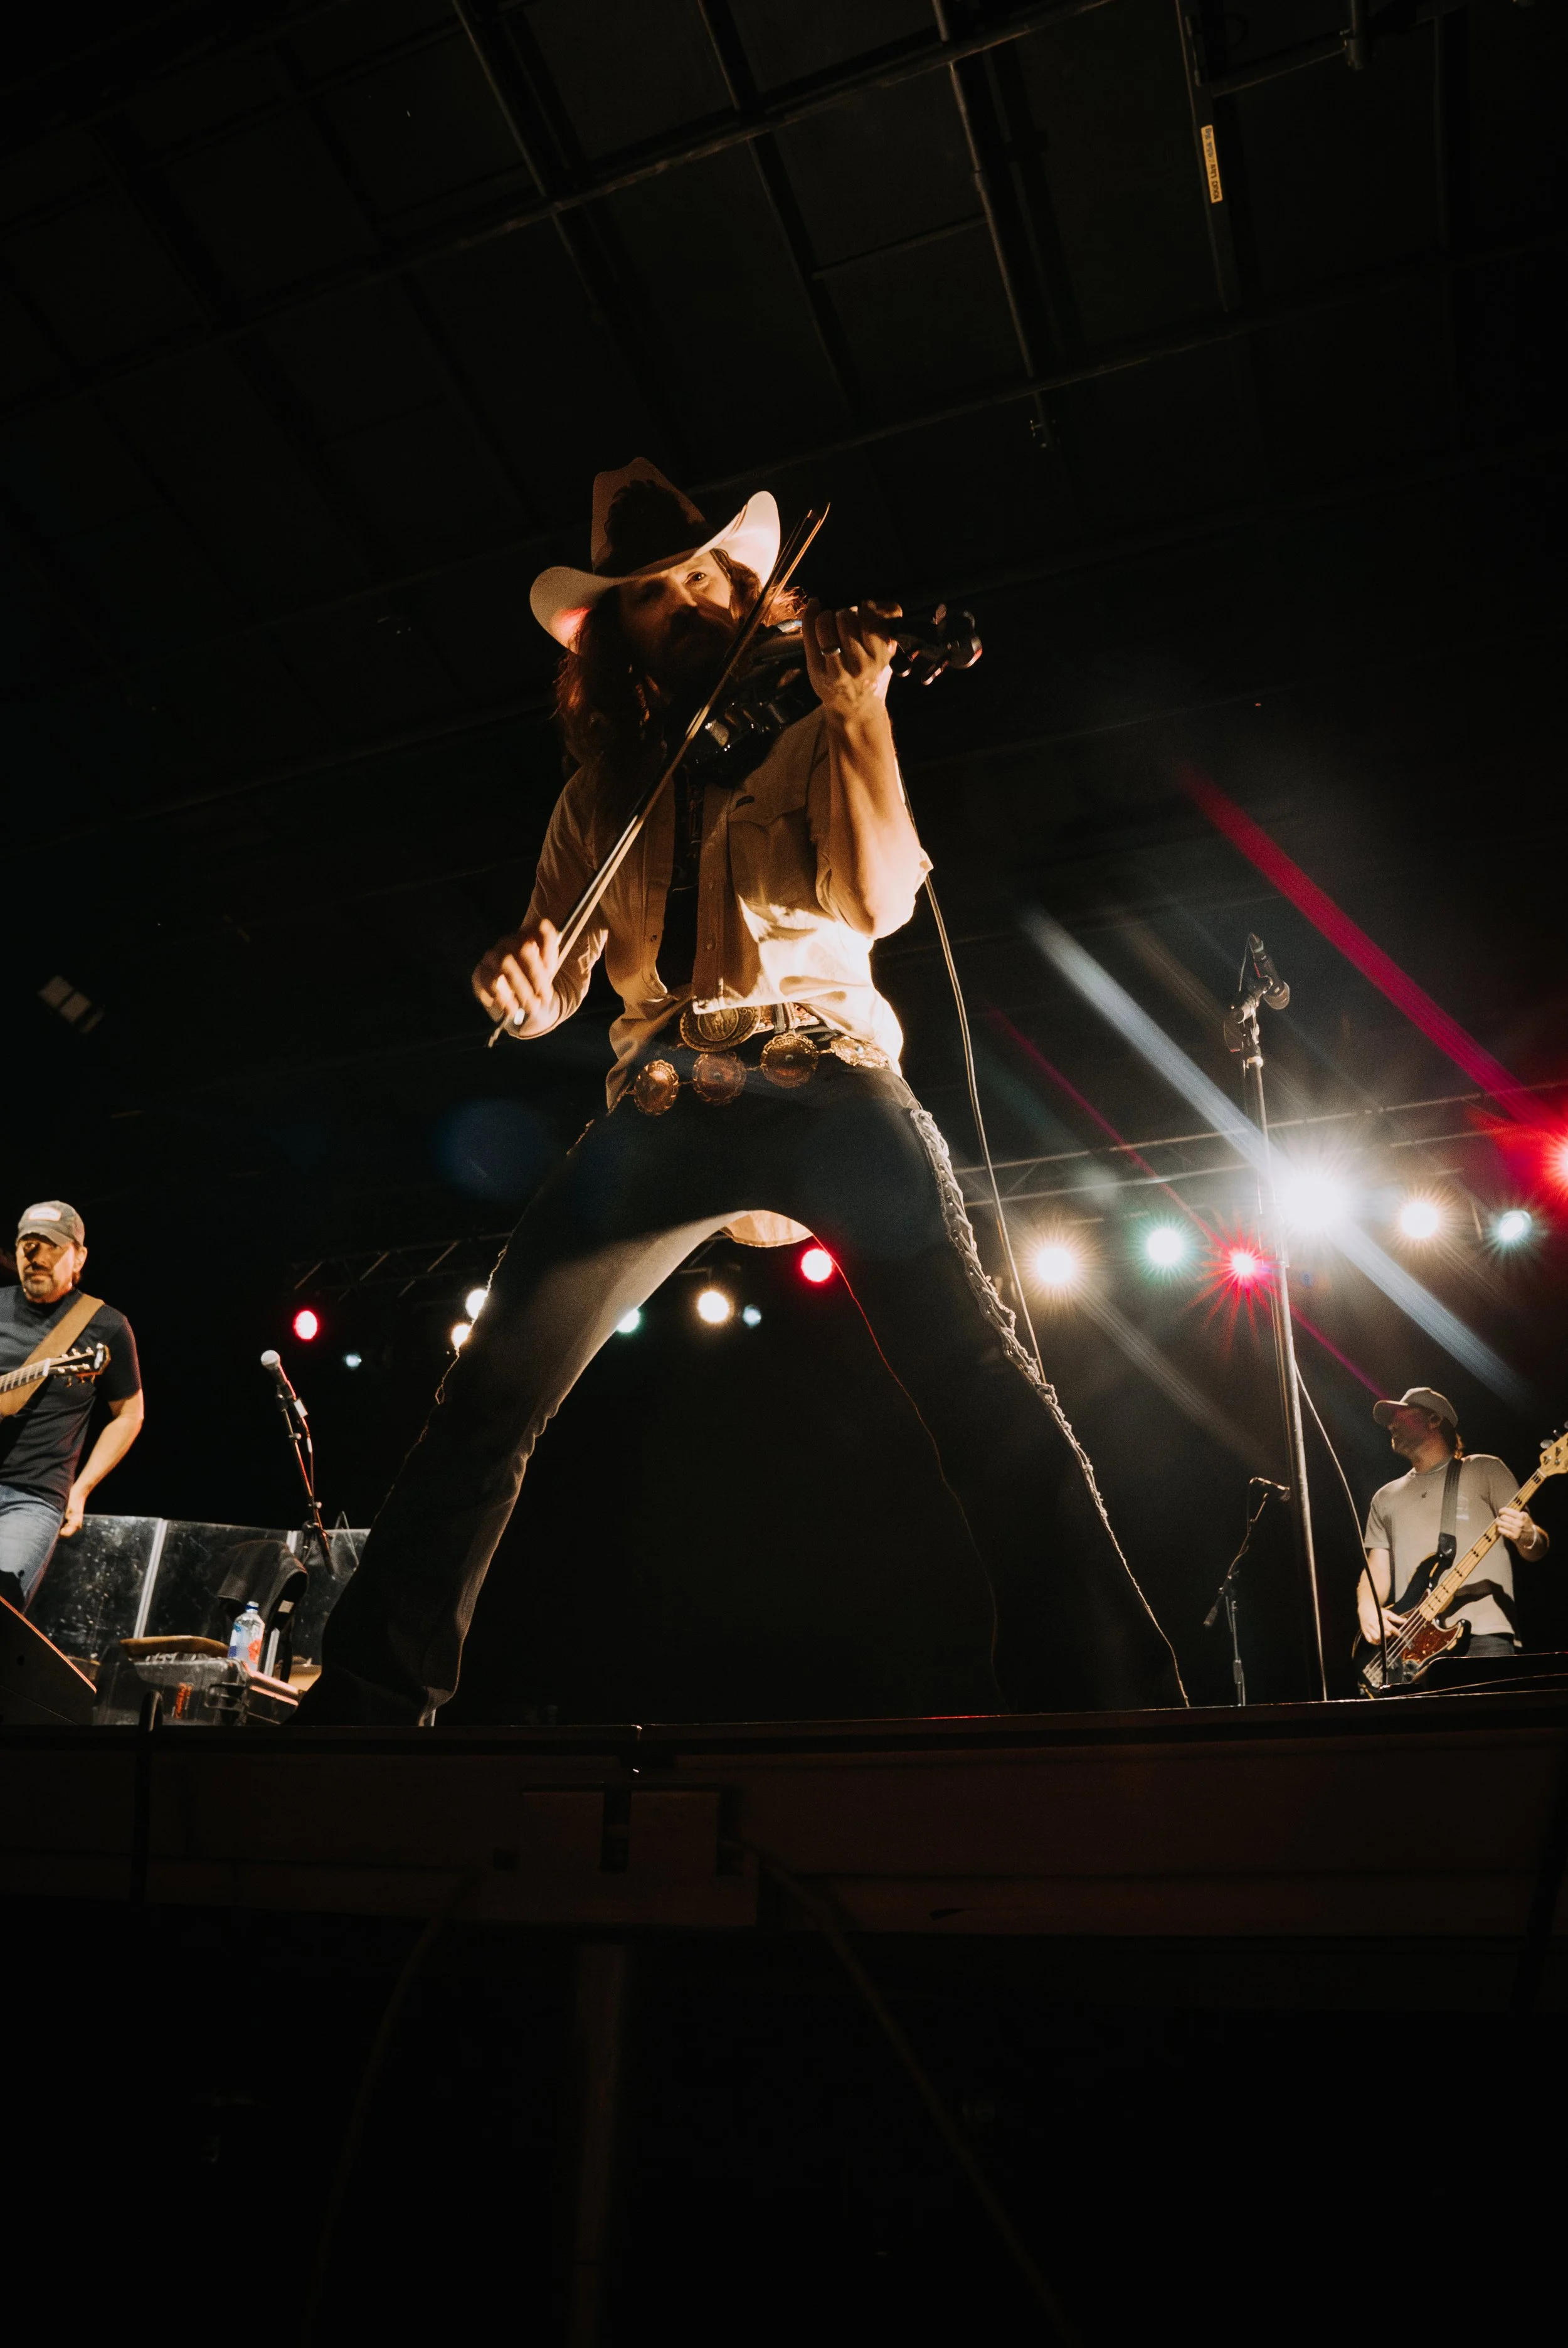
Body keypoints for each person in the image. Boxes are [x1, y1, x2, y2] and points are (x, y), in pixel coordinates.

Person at [300, 460, 1182, 1725]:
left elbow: (878, 901)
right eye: (662, 595)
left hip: (820, 1076)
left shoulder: (818, 725)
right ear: (620, 637)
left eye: (716, 573)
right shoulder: (594, 796)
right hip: (655, 1104)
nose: (700, 600)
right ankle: (370, 1703)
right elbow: (552, 977)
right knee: (488, 1391)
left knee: (977, 1373)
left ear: (757, 585)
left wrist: (864, 709)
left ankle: (1108, 1705)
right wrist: (514, 978)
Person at [0, 1200, 144, 1612]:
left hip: (33, 1497)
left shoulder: (105, 1326)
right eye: (28, 1245)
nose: (37, 1257)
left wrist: (81, 1488)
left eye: (51, 1247)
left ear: (79, 1255)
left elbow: (129, 1414)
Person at [1356, 1385, 1547, 1658]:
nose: (1391, 1424)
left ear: (1435, 1419)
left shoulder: (1485, 1468)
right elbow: (1377, 1570)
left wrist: (1529, 1536)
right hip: (1410, 1647)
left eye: (1402, 1415)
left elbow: (1534, 1550)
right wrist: (1367, 1607)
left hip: (1484, 1635)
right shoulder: (1385, 1497)